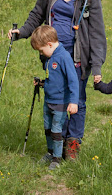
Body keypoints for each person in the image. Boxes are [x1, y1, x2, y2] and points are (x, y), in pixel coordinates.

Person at [9, 0, 107, 159]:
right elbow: (38, 12)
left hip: (78, 57)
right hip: (52, 56)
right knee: (56, 101)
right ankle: (56, 147)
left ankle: (72, 146)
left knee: (77, 101)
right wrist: (22, 32)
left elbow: (97, 33)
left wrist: (97, 64)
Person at [30, 26, 78, 170]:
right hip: (48, 101)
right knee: (48, 128)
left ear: (50, 44)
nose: (41, 53)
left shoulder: (63, 57)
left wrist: (74, 101)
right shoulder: (50, 57)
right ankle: (50, 152)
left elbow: (73, 81)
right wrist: (42, 83)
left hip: (60, 103)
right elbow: (53, 79)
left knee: (56, 130)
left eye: (41, 50)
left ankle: (57, 158)